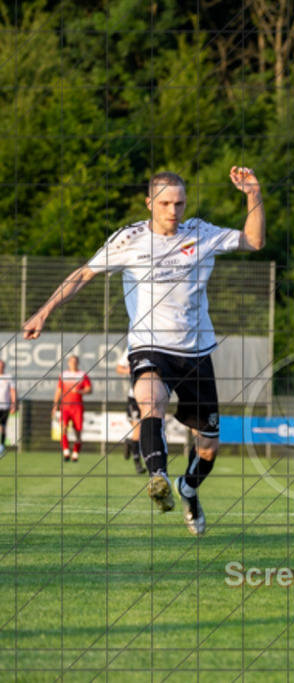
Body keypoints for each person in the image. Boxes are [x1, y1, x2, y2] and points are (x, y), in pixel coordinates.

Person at [23, 167, 265, 536]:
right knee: (150, 401)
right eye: (165, 203)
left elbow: (254, 241)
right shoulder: (129, 239)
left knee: (209, 448)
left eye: (179, 203)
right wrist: (44, 311)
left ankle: (188, 489)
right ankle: (158, 477)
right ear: (149, 202)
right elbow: (83, 274)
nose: (173, 211)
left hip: (196, 352)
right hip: (149, 345)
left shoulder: (201, 233)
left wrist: (253, 195)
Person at [53, 355, 92, 461]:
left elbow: (89, 389)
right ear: (68, 363)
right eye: (71, 361)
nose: (73, 363)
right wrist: (55, 406)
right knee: (63, 428)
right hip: (65, 407)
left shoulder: (82, 375)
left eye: (75, 361)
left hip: (77, 407)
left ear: (78, 363)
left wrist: (79, 391)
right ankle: (66, 451)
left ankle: (75, 453)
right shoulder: (63, 375)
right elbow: (58, 391)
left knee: (78, 431)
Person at [115, 347, 146, 475]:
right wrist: (129, 370)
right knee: (138, 431)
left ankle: (130, 442)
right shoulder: (132, 346)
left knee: (146, 431)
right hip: (135, 398)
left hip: (150, 398)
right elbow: (119, 368)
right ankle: (138, 464)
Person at [0, 360, 17, 455]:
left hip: (5, 406)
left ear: (4, 366)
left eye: (1, 365)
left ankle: (2, 445)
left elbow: (13, 391)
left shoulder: (9, 377)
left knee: (3, 427)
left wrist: (13, 404)